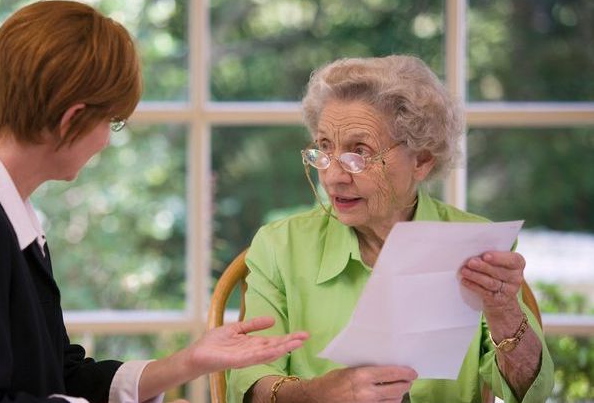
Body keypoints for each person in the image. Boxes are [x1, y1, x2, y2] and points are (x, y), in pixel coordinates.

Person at [0, 0, 309, 403]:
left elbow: (62, 377)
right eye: (112, 122)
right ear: (72, 119)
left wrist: (188, 362)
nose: (106, 141)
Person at [228, 55, 554, 403]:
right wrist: (319, 393)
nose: (333, 177)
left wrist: (504, 311)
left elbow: (530, 392)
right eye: (324, 148)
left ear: (422, 160)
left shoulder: (476, 244)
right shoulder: (280, 246)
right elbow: (249, 386)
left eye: (358, 153)